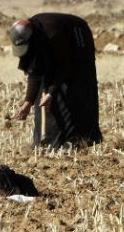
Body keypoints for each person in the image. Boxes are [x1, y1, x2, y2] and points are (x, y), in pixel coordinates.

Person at [9, 13, 102, 149]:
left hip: (77, 39)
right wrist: (28, 102)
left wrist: (51, 93)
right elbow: (35, 71)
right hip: (57, 43)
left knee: (74, 87)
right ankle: (50, 143)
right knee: (47, 89)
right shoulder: (33, 39)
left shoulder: (53, 35)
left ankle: (80, 140)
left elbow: (64, 67)